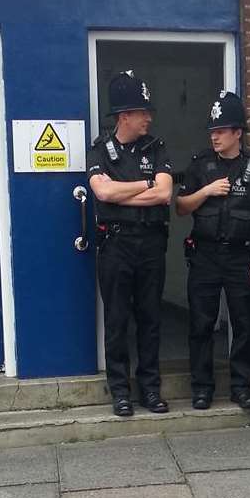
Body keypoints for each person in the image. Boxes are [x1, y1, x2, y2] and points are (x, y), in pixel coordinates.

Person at [176, 91, 250, 410]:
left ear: (238, 133)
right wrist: (206, 190)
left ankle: (241, 386)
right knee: (201, 325)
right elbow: (180, 207)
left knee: (244, 324)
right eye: (212, 131)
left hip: (241, 258)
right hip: (204, 256)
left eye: (221, 131)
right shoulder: (200, 165)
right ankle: (202, 387)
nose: (214, 136)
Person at [87, 70, 173, 417]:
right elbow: (102, 192)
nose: (148, 117)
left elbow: (165, 193)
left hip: (151, 244)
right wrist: (144, 184)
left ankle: (150, 390)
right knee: (118, 319)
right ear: (124, 116)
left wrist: (123, 193)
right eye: (142, 112)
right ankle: (120, 391)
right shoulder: (100, 149)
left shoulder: (158, 146)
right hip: (116, 246)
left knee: (151, 318)